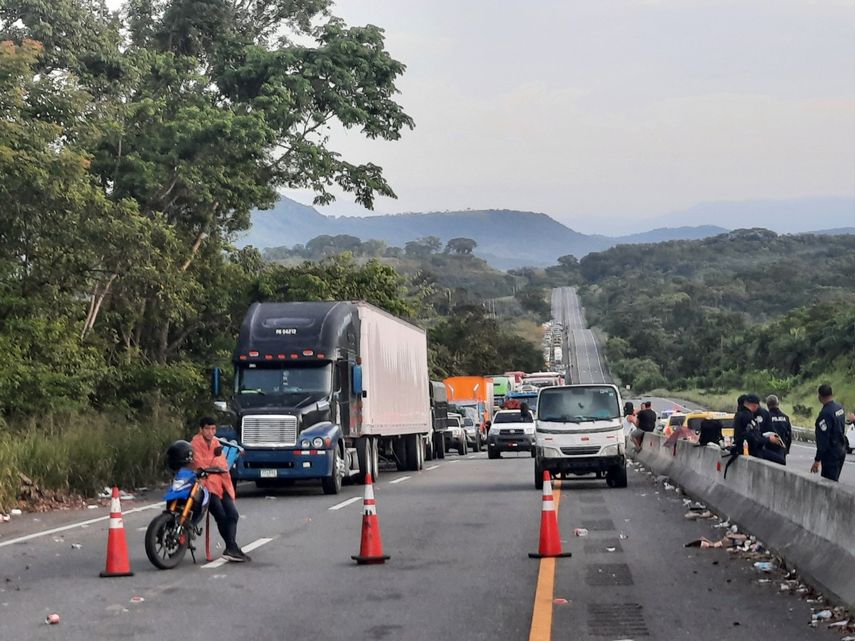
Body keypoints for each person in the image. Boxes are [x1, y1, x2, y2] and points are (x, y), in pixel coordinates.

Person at [191, 417, 251, 562]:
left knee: (233, 514)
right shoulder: (195, 443)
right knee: (221, 515)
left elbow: (221, 464)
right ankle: (232, 547)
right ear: (201, 430)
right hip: (205, 486)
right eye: (207, 429)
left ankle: (231, 547)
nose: (210, 432)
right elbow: (198, 464)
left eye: (213, 429)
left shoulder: (216, 443)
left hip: (220, 483)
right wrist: (210, 469)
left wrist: (213, 468)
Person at [810, 384, 846, 481]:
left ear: (820, 396)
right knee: (835, 479)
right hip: (841, 449)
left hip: (831, 454)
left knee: (829, 483)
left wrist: (817, 460)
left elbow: (823, 440)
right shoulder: (840, 408)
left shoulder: (825, 414)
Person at [763, 395, 792, 465]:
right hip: (781, 450)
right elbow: (789, 435)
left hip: (769, 450)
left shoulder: (766, 417)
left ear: (767, 405)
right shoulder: (785, 417)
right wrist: (786, 450)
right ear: (778, 404)